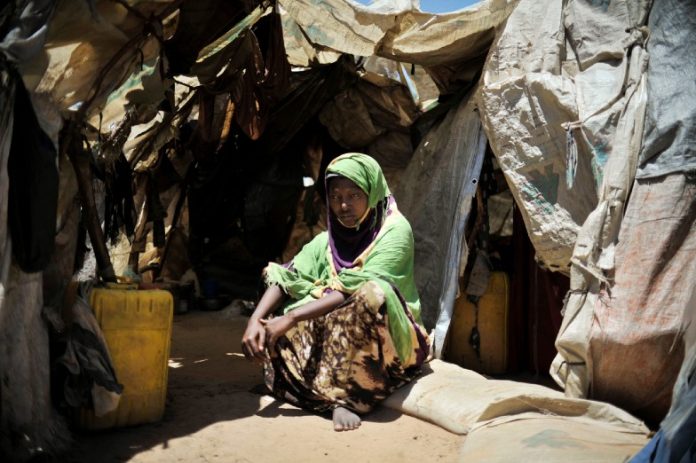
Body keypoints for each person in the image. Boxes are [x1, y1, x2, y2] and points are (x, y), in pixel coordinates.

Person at [241, 153, 429, 431]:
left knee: (371, 295)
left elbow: (352, 289)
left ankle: (349, 399)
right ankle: (292, 383)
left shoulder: (396, 231)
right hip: (339, 342)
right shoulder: (328, 240)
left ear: (372, 191)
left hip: (390, 339)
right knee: (279, 295)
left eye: (354, 195)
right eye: (336, 196)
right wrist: (256, 319)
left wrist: (292, 319)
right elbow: (287, 275)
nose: (343, 205)